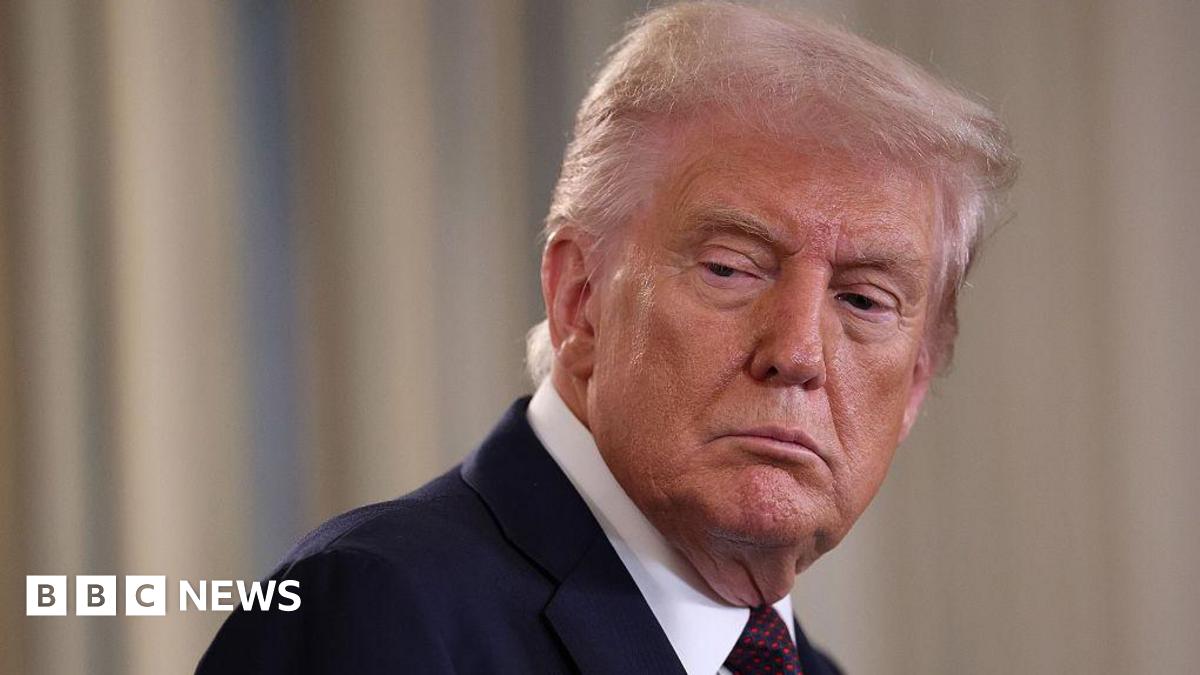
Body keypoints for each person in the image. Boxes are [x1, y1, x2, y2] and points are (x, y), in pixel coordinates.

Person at [197, 2, 1016, 673]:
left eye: (866, 300)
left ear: (913, 387)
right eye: (732, 268)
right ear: (580, 300)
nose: (797, 352)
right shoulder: (379, 615)